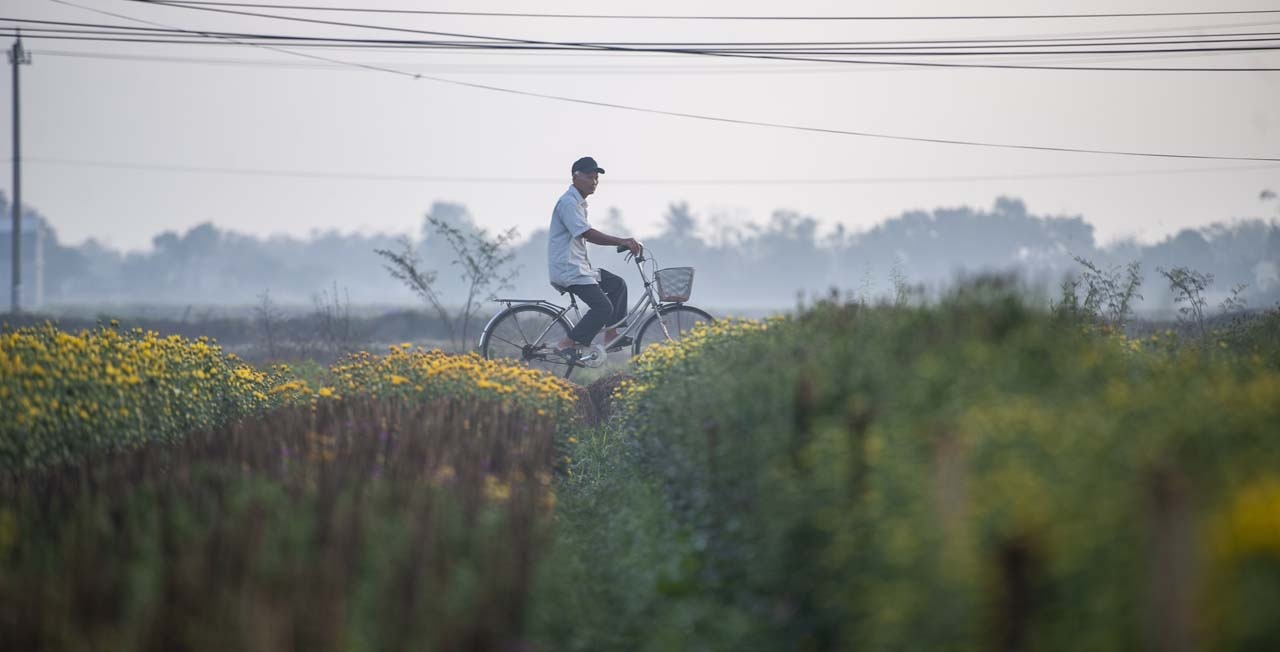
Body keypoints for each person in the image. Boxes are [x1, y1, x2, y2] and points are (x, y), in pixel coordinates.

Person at [547, 156, 642, 360]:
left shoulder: (579, 203)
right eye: (590, 177)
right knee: (603, 307)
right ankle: (566, 343)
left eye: (597, 178)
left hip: (579, 268)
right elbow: (587, 234)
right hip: (569, 271)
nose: (594, 182)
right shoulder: (568, 204)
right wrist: (622, 241)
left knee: (617, 285)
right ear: (575, 178)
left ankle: (611, 335)